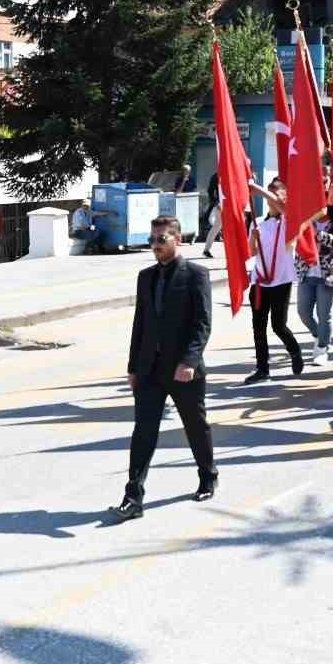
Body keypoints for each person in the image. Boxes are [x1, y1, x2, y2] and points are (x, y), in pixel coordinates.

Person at [112, 215, 217, 521]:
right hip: (149, 370)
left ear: (177, 240)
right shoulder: (146, 277)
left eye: (161, 239)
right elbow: (140, 325)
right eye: (152, 240)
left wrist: (189, 361)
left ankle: (208, 475)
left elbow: (202, 324)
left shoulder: (196, 274)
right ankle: (133, 496)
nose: (155, 245)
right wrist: (133, 366)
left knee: (195, 425)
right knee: (143, 431)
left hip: (182, 369)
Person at [245, 179, 304, 384]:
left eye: (277, 193)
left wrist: (259, 190)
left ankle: (294, 350)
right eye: (271, 192)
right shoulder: (258, 221)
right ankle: (263, 369)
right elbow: (252, 252)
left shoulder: (289, 220)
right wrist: (253, 237)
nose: (273, 196)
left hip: (281, 280)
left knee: (278, 325)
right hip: (260, 281)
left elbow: (284, 208)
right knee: (258, 327)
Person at [295, 206, 333, 365]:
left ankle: (322, 348)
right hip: (306, 274)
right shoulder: (306, 221)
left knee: (324, 315)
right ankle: (319, 335)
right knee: (303, 312)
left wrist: (321, 236)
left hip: (327, 276)